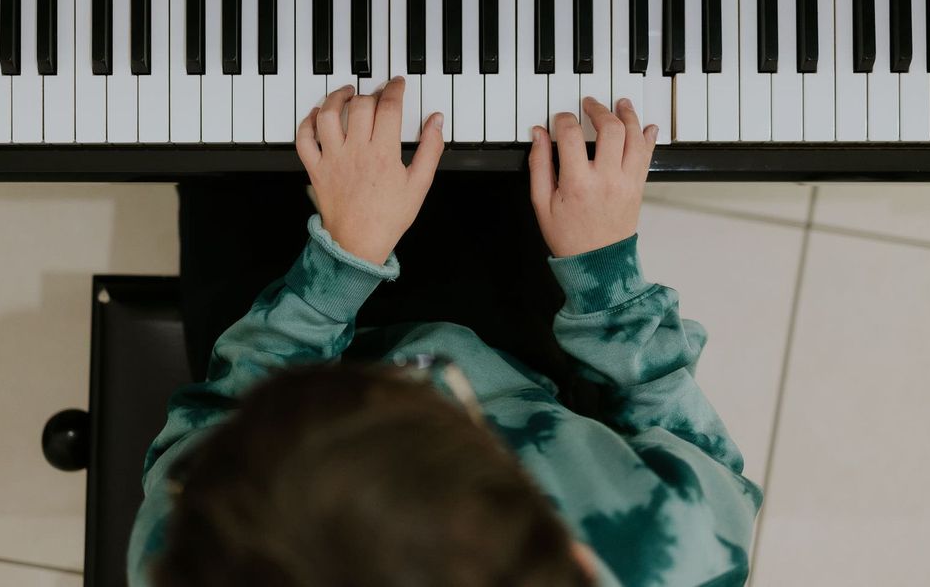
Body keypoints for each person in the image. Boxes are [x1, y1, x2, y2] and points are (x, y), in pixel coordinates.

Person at [127, 77, 765, 587]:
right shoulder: (673, 556)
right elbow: (710, 470)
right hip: (518, 356)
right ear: (574, 554)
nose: (423, 378)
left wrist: (341, 260)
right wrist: (604, 278)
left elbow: (217, 426)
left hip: (279, 367)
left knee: (220, 104)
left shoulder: (199, 550)